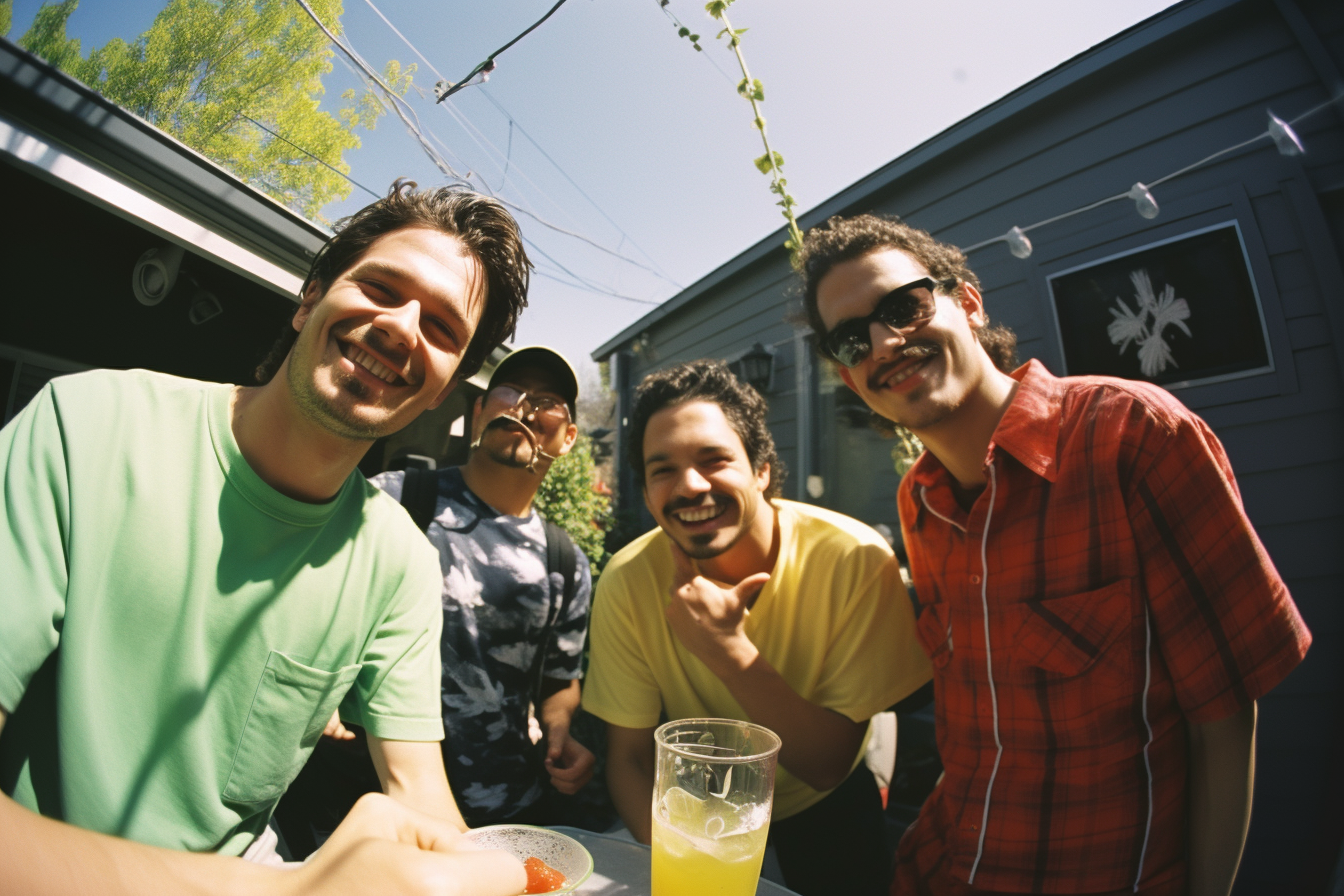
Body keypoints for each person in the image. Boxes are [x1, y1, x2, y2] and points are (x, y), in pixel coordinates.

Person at [0, 180, 533, 896]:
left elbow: (420, 800)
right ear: (310, 297)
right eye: (381, 286)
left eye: (442, 328)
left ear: (443, 389)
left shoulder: (399, 562)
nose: (404, 327)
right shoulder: (86, 424)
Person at [799, 213, 1312, 896]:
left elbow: (1224, 720)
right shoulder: (917, 502)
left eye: (904, 306)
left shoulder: (1134, 436)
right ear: (849, 375)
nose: (886, 342)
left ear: (969, 303)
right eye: (853, 338)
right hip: (940, 872)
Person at [581, 360, 933, 896]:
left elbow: (826, 766)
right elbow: (629, 760)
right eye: (662, 470)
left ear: (762, 468)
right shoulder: (627, 580)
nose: (690, 486)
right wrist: (689, 873)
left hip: (825, 801)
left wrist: (728, 651)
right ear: (648, 493)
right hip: (693, 810)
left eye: (713, 459)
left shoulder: (852, 558)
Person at [369, 345, 597, 827]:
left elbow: (560, 679)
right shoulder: (394, 501)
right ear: (478, 413)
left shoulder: (566, 563)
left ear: (569, 437)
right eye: (509, 391)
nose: (523, 406)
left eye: (546, 400)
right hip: (374, 805)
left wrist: (559, 729)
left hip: (506, 812)